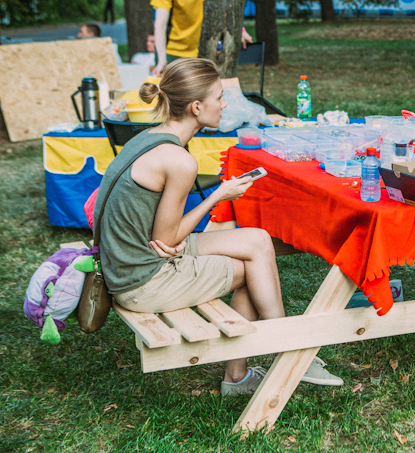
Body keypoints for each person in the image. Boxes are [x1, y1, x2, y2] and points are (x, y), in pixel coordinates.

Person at [94, 58, 342, 395]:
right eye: (219, 98)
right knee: (251, 269)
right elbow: (165, 237)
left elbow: (159, 232)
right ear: (196, 107)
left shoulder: (150, 136)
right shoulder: (179, 160)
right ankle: (287, 349)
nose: (225, 105)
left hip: (132, 257)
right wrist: (219, 195)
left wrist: (171, 238)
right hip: (140, 279)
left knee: (257, 242)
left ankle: (253, 366)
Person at [151, 0, 254, 77]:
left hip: (206, 51)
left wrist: (241, 30)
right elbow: (160, 24)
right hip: (175, 53)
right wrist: (162, 59)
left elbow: (223, 9)